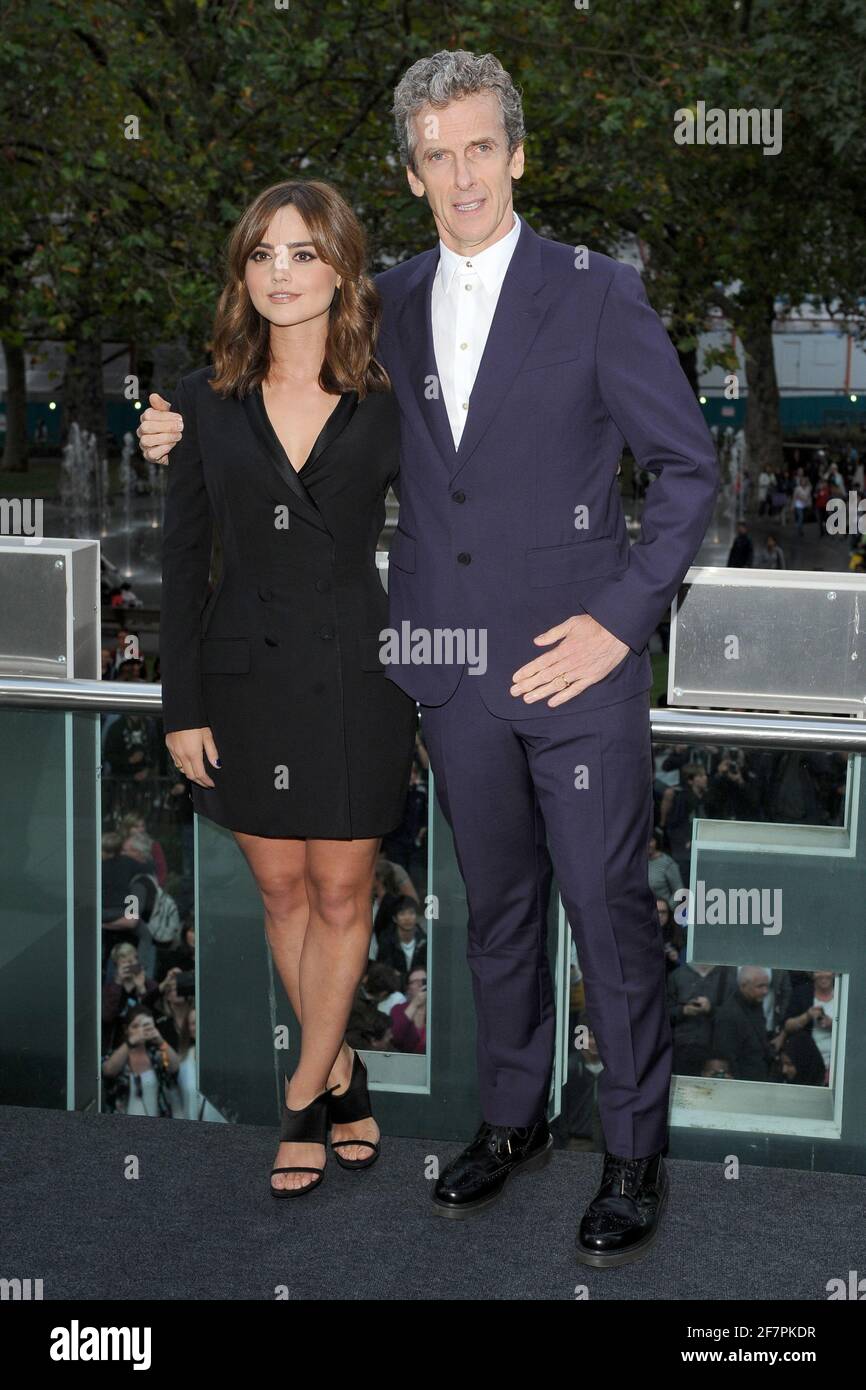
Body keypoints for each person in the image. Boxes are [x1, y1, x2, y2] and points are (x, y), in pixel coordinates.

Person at [139, 50, 719, 1264]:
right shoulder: (381, 300)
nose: (460, 173)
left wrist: (619, 617)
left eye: (478, 148)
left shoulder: (597, 291)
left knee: (607, 915)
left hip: (578, 668)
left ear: (517, 154)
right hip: (444, 670)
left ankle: (629, 1151)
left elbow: (685, 474)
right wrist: (172, 424)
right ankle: (510, 1119)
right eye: (435, 153)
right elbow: (277, 380)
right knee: (494, 913)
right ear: (410, 173)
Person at [145, 180, 418, 1195]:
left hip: (359, 673)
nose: (280, 273)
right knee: (280, 888)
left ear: (343, 267)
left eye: (303, 253)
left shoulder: (389, 399)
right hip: (241, 675)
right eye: (262, 254)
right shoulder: (198, 398)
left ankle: (300, 1092)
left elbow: (454, 519)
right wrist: (182, 705)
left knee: (344, 890)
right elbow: (180, 563)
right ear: (241, 271)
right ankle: (343, 1068)